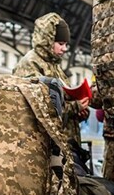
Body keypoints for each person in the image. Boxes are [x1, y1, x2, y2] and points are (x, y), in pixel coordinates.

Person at [13, 13, 90, 155]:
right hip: (42, 148)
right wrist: (74, 107)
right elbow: (38, 107)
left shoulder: (55, 66)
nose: (65, 49)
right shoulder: (30, 64)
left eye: (66, 44)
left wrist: (78, 113)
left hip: (60, 145)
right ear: (47, 40)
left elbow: (61, 105)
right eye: (60, 44)